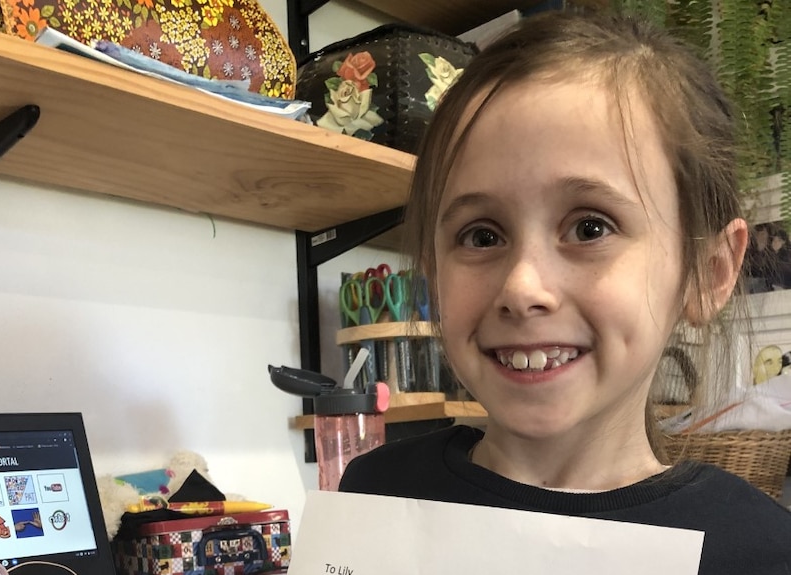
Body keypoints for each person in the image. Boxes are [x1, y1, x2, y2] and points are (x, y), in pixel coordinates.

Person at [338, 9, 791, 574]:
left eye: (590, 228)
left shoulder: (760, 553)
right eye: (481, 235)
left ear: (708, 271)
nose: (523, 287)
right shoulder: (375, 494)